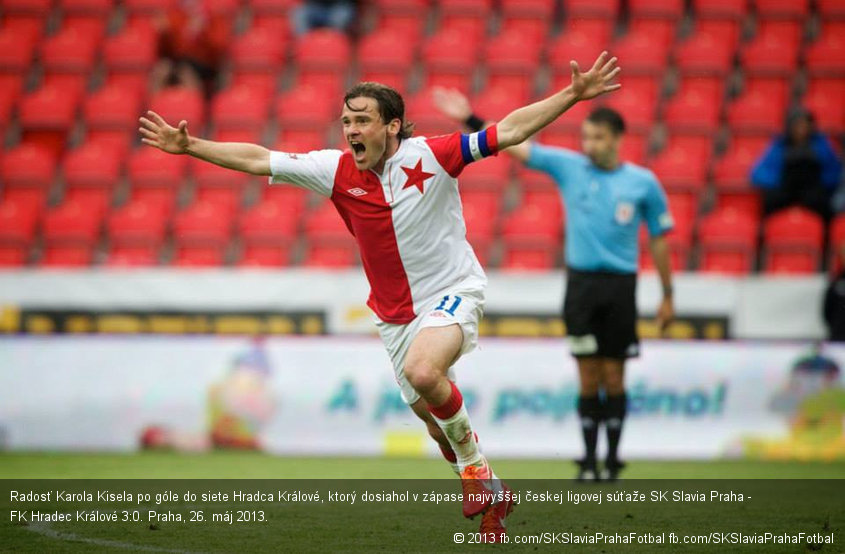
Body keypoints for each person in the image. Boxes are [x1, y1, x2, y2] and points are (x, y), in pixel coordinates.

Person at [139, 52, 621, 538]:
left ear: (392, 127)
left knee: (423, 371)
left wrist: (572, 94)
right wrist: (191, 146)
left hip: (453, 290)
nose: (351, 130)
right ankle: (493, 496)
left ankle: (476, 475)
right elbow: (258, 157)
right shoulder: (334, 170)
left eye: (362, 120)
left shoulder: (433, 155)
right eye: (346, 121)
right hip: (395, 318)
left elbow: (510, 131)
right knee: (436, 427)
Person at [433, 90, 675, 482]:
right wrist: (472, 120)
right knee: (587, 376)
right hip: (580, 287)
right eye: (586, 137)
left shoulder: (642, 183)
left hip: (620, 288)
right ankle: (588, 459)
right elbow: (519, 147)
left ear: (616, 138)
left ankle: (612, 462)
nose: (589, 145)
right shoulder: (570, 167)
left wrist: (667, 295)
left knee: (614, 376)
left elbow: (660, 240)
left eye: (597, 137)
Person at [751, 107, 842, 221]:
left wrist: (821, 183)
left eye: (805, 125)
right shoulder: (779, 145)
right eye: (797, 125)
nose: (801, 129)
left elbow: (833, 172)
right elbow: (758, 174)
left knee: (823, 202)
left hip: (812, 190)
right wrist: (778, 181)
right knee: (770, 200)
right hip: (785, 188)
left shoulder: (821, 144)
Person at [292, 0, 357, 36]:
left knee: (342, 15)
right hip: (315, 6)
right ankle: (305, 45)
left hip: (339, 6)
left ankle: (332, 45)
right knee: (299, 13)